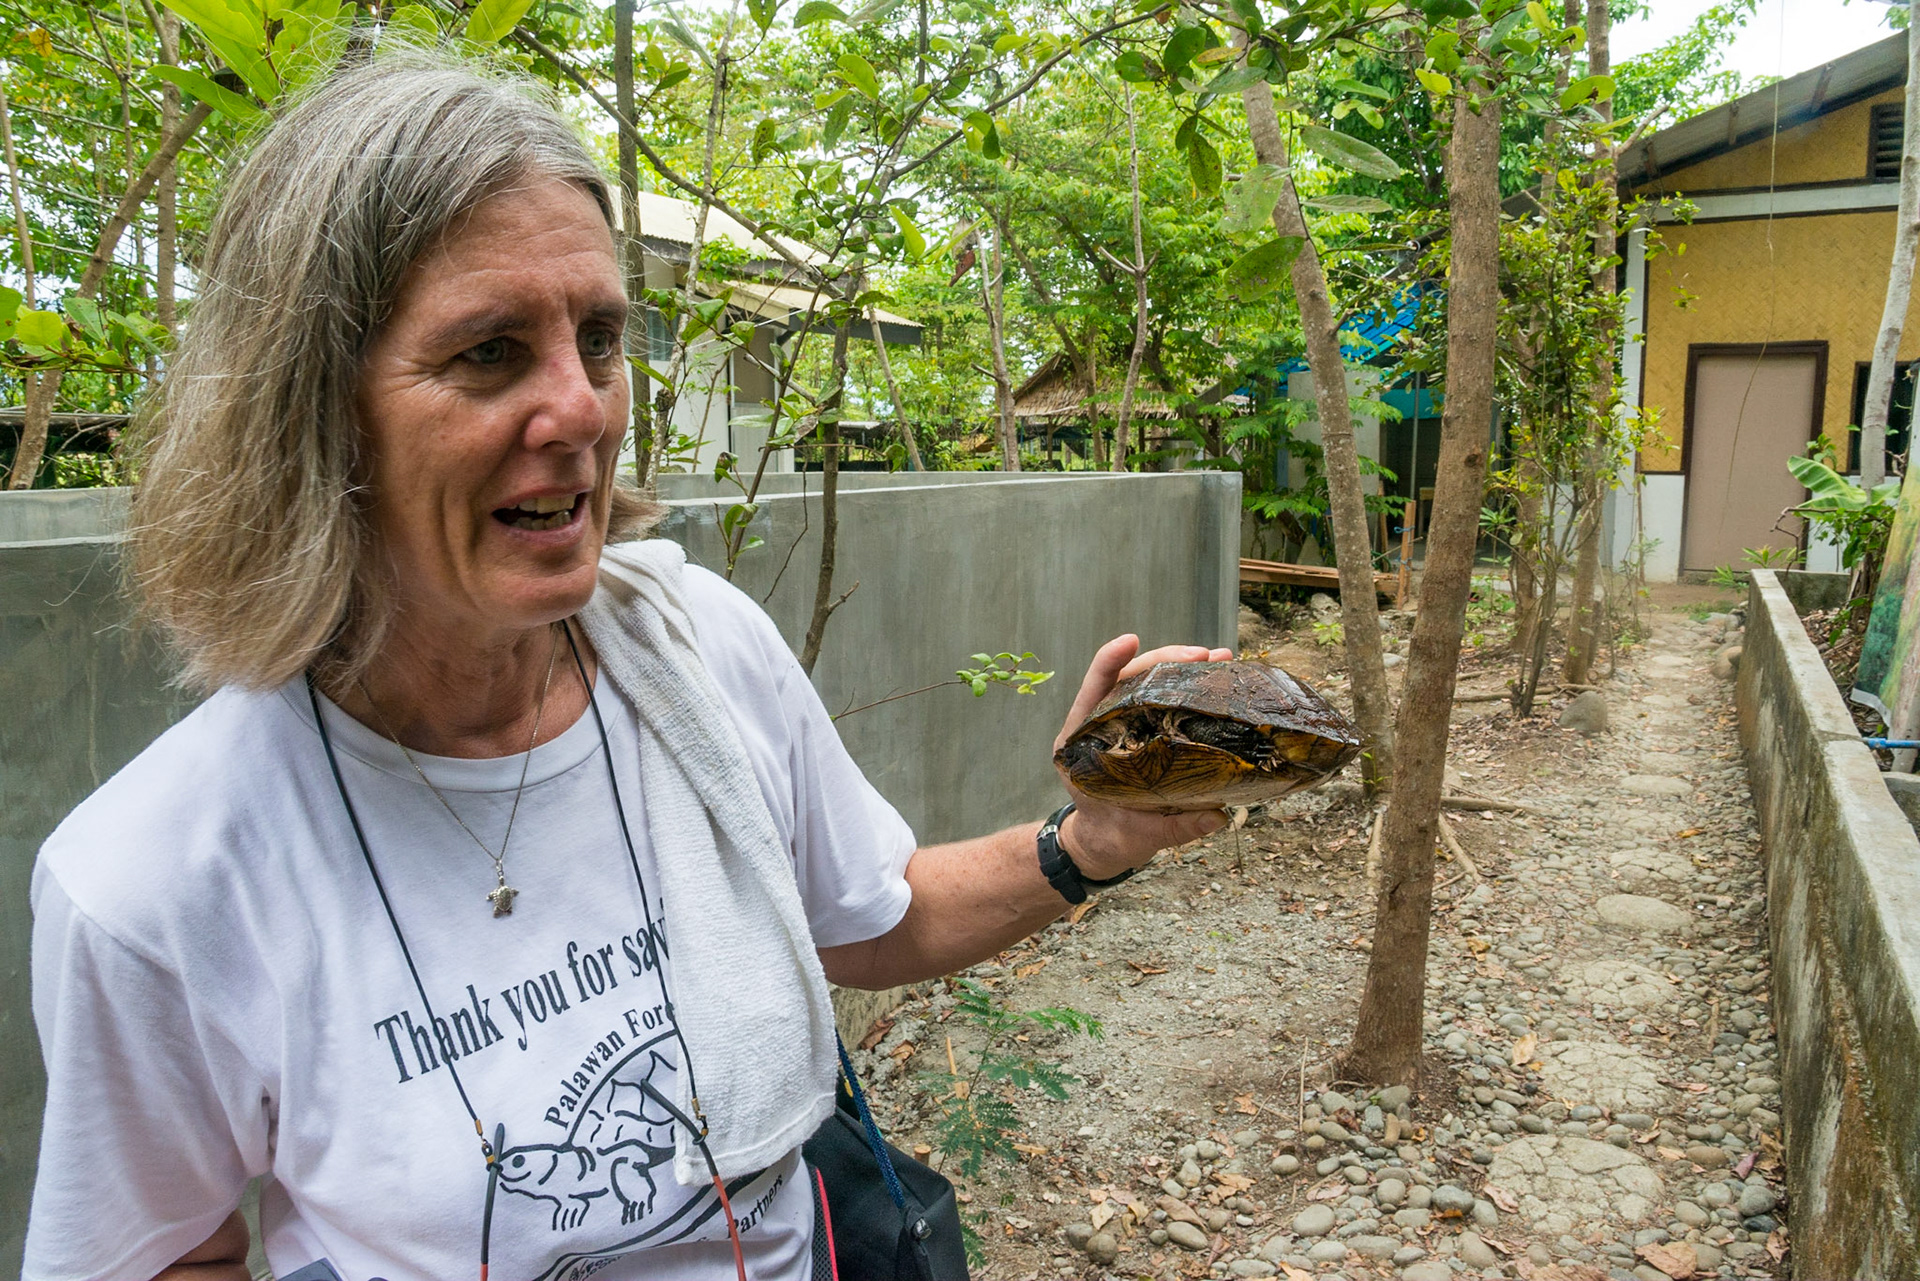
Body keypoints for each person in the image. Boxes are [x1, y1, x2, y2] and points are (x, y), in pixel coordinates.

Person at [23, 56, 1229, 1281]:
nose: (584, 409)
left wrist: (1093, 841)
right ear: (314, 414)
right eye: (490, 352)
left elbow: (874, 914)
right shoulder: (157, 887)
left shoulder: (698, 649)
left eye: (598, 339)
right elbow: (158, 1253)